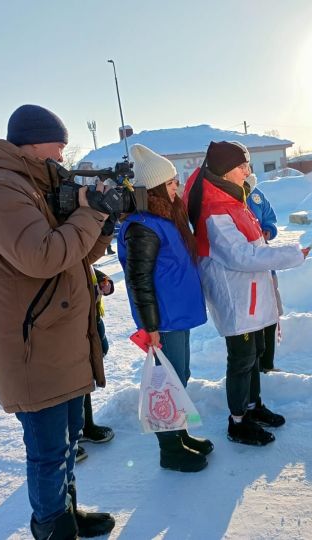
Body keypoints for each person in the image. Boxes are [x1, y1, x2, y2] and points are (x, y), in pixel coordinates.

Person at [0, 104, 116, 539]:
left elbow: (75, 257)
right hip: (32, 344)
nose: (64, 157)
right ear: (32, 141)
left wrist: (101, 221)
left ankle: (67, 511)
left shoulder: (33, 184)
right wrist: (89, 213)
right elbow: (43, 256)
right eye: (60, 146)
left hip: (57, 339)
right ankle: (50, 525)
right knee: (48, 451)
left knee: (67, 442)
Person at [185, 141, 307, 447]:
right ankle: (237, 421)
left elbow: (255, 247)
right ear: (226, 171)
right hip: (237, 299)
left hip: (250, 295)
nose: (248, 171)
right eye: (243, 166)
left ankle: (253, 407)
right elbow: (241, 257)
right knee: (241, 359)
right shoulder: (215, 211)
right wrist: (289, 255)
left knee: (252, 357)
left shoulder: (232, 200)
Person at [117, 143, 211, 472]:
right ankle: (170, 450)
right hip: (163, 321)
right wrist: (150, 326)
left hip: (176, 316)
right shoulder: (143, 227)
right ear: (156, 187)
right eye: (171, 183)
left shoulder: (163, 218)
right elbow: (138, 281)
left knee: (179, 376)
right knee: (168, 382)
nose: (177, 187)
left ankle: (179, 435)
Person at [76, 267, 116, 462]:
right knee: (69, 382)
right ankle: (68, 440)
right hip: (66, 328)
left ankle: (85, 426)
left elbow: (88, 267)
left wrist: (103, 281)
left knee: (85, 377)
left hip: (90, 323)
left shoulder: (78, 250)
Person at [245, 173, 283, 373]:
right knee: (254, 318)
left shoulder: (256, 194)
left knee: (271, 313)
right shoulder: (228, 196)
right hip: (246, 270)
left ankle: (268, 364)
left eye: (245, 165)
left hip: (266, 265)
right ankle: (255, 365)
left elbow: (270, 218)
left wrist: (268, 229)